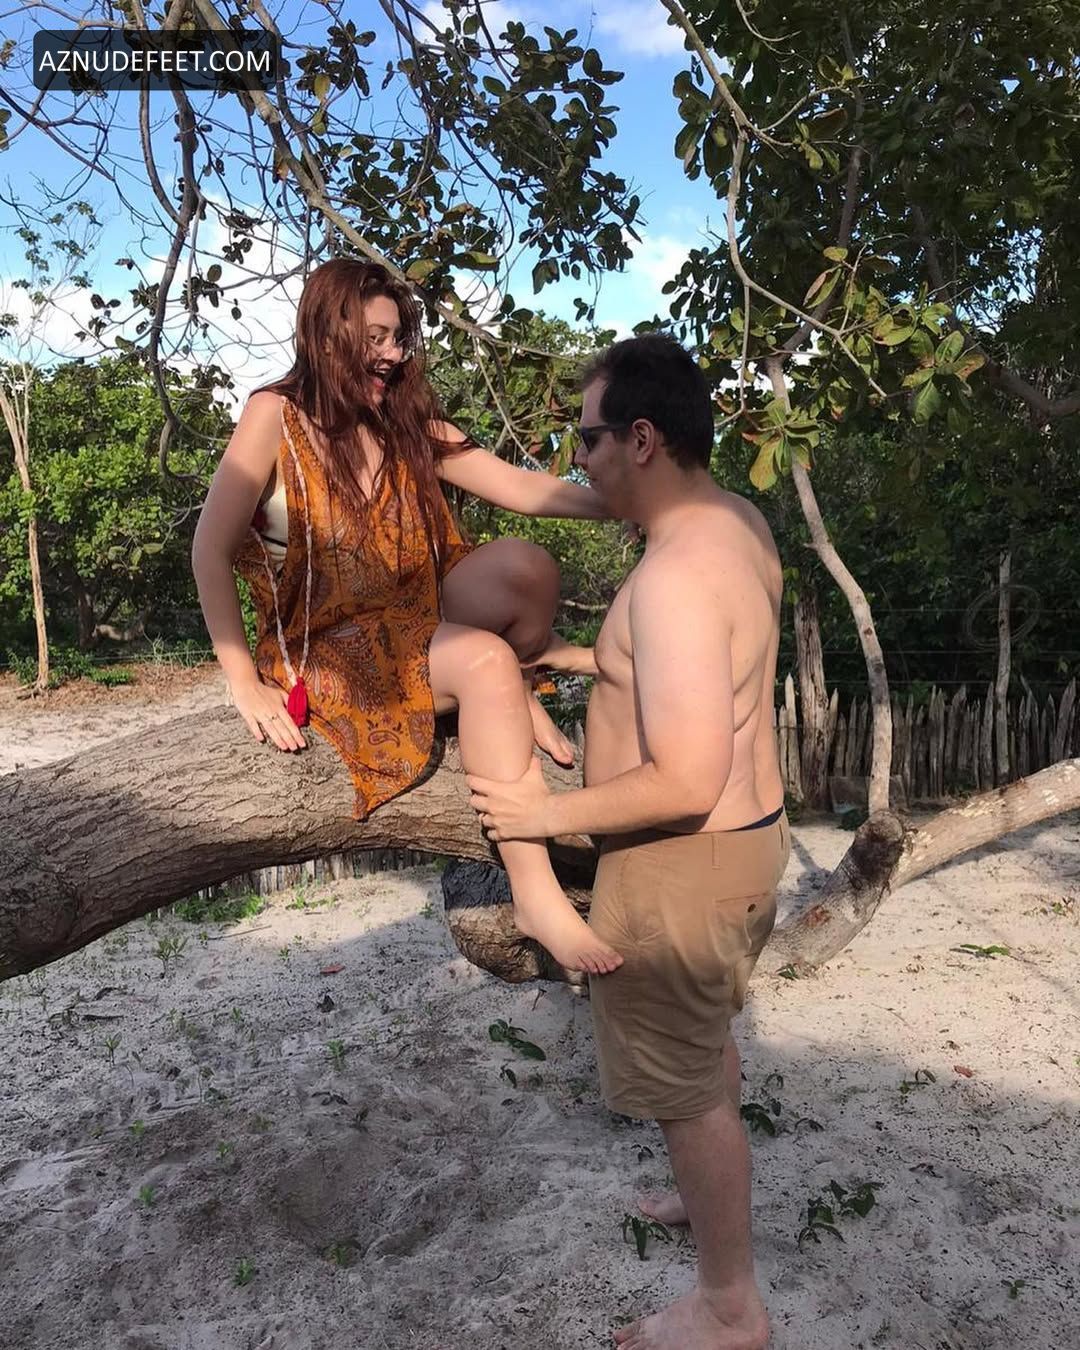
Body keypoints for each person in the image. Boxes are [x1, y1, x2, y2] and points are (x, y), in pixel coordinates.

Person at [467, 334, 789, 1350]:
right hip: (746, 848)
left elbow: (687, 777)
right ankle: (704, 1203)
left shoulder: (675, 578)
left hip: (680, 866)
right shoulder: (735, 524)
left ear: (642, 439)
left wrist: (540, 816)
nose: (580, 459)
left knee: (685, 1093)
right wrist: (588, 661)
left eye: (589, 438)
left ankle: (729, 1307)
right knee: (706, 1043)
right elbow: (693, 676)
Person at [191, 258, 622, 977]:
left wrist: (636, 501)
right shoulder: (274, 416)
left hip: (410, 617)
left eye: (399, 338)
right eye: (377, 338)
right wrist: (241, 681)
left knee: (527, 567)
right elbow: (208, 550)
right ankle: (535, 894)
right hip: (326, 645)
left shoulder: (404, 420)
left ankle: (517, 682)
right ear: (328, 335)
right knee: (484, 659)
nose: (393, 354)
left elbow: (521, 488)